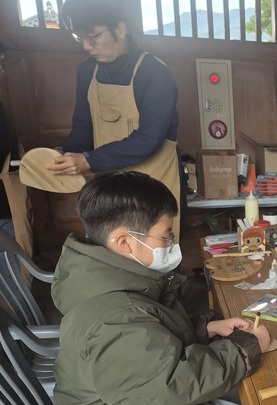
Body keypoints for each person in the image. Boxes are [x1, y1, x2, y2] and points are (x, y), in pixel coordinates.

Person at [52, 171, 270, 405]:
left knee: (240, 391)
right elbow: (172, 383)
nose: (171, 245)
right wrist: (246, 348)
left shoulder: (105, 278)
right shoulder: (116, 318)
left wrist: (204, 329)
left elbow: (148, 340)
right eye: (166, 237)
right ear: (124, 241)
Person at [46, 0, 184, 237]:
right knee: (110, 250)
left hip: (154, 185)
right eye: (81, 38)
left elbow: (149, 138)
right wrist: (63, 152)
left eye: (93, 36)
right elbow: (84, 126)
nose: (87, 46)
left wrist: (87, 160)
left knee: (154, 249)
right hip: (109, 185)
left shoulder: (154, 73)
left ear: (120, 29)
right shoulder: (86, 71)